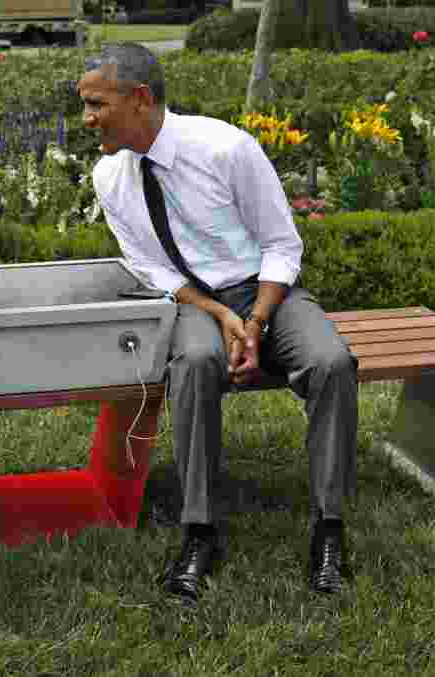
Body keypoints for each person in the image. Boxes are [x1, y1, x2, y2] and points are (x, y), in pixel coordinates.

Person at [77, 43, 358, 603]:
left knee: (333, 362)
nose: (86, 118)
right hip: (195, 304)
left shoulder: (227, 148)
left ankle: (330, 530)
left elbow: (282, 244)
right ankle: (199, 531)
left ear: (140, 100)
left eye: (95, 104)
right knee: (198, 362)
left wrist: (254, 319)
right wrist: (220, 315)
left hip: (267, 291)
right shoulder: (111, 177)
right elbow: (151, 268)